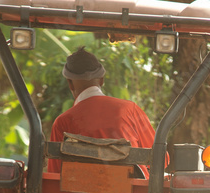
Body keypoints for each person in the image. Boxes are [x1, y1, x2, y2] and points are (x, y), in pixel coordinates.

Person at [47, 47, 158, 177]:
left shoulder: (63, 122)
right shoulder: (130, 109)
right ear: (101, 80)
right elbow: (160, 160)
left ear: (70, 84)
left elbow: (54, 175)